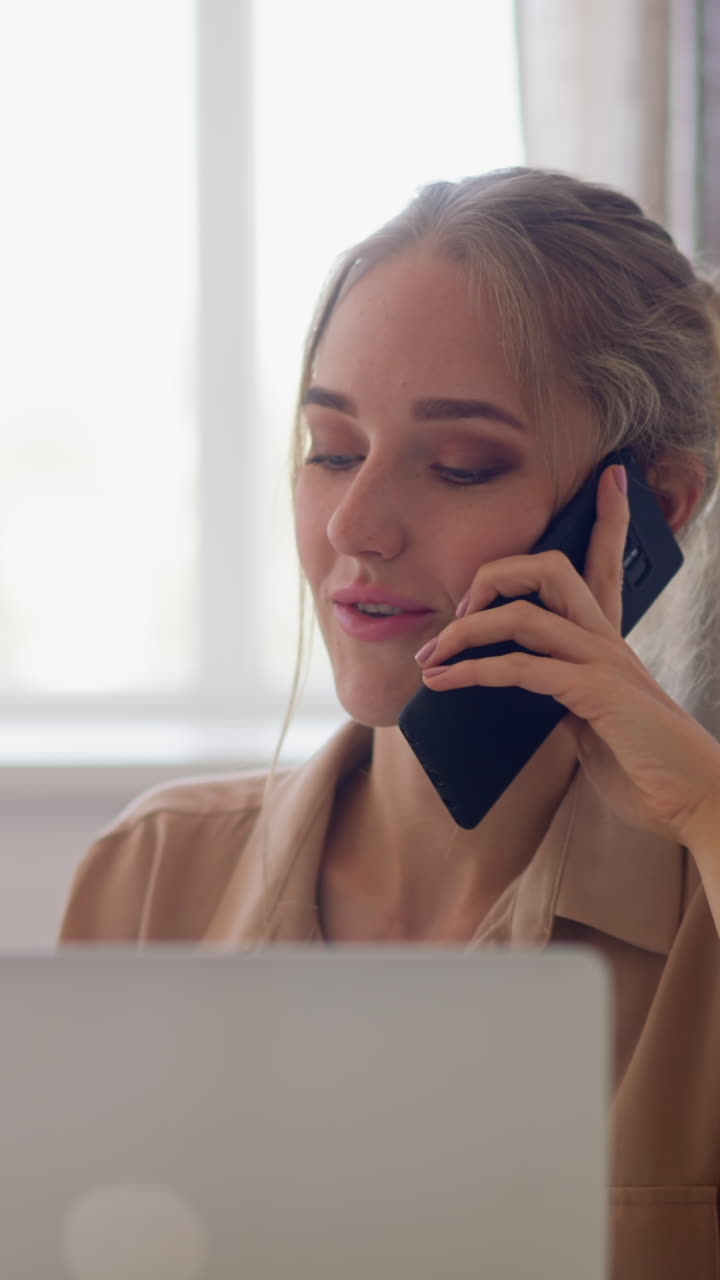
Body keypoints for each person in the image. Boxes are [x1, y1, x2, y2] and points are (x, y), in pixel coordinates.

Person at [60, 169, 720, 1278]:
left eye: (459, 464)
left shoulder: (703, 919)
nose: (356, 526)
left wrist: (705, 801)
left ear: (655, 503)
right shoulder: (148, 879)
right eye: (331, 449)